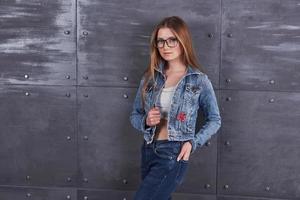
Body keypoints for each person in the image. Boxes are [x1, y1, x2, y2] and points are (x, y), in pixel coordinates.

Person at [129, 16, 221, 200]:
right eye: (161, 41)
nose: (165, 46)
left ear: (182, 41)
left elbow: (214, 119)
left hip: (173, 153)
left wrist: (192, 143)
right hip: (148, 150)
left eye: (172, 40)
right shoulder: (150, 78)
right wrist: (146, 122)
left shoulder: (198, 79)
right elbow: (135, 115)